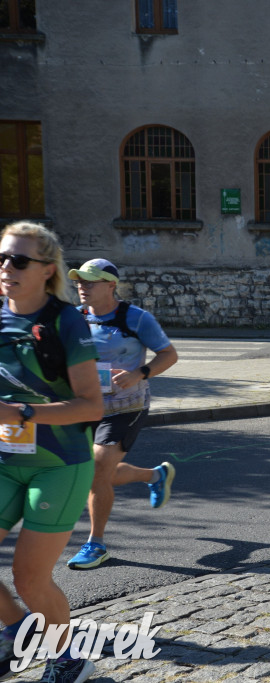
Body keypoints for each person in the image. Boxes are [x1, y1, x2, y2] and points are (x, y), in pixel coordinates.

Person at [0, 221, 104, 682]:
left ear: (47, 269)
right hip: (5, 460)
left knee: (29, 578)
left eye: (19, 260)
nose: (7, 267)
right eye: (2, 258)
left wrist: (20, 412)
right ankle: (16, 632)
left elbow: (92, 405)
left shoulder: (65, 321)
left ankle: (69, 660)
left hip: (59, 465)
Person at [64, 259, 179, 571]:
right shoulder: (73, 317)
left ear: (111, 286)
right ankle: (154, 475)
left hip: (125, 408)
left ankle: (95, 544)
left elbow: (169, 354)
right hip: (83, 407)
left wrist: (139, 373)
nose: (82, 287)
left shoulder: (136, 318)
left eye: (90, 281)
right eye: (79, 281)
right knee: (95, 474)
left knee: (98, 471)